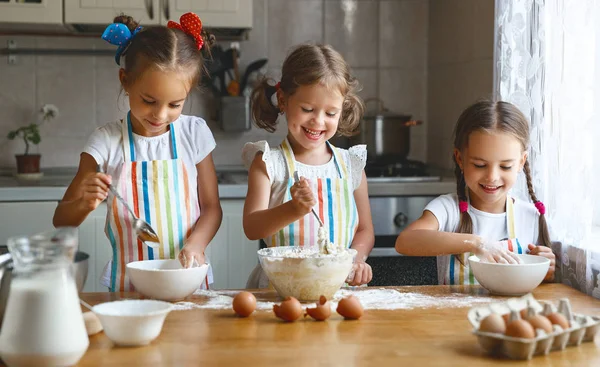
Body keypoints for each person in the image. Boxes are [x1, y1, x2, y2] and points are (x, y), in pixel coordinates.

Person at [53, 12, 222, 292]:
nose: (160, 114)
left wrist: (196, 244)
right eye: (149, 101)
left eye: (175, 104)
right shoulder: (105, 143)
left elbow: (212, 208)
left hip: (188, 280)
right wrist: (84, 202)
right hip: (128, 287)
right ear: (125, 80)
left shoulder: (194, 134)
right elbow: (61, 219)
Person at [242, 44, 374, 288]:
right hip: (282, 287)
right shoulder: (270, 164)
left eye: (331, 113)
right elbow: (252, 227)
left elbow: (365, 230)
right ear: (283, 100)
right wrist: (293, 209)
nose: (318, 121)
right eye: (308, 109)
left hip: (338, 286)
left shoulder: (351, 165)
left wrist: (357, 259)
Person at [395, 100, 556, 285]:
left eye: (505, 166)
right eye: (480, 165)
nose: (492, 177)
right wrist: (477, 243)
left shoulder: (530, 217)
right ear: (460, 159)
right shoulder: (448, 210)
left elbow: (539, 287)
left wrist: (545, 269)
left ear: (521, 162)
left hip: (509, 314)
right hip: (456, 314)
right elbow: (405, 241)